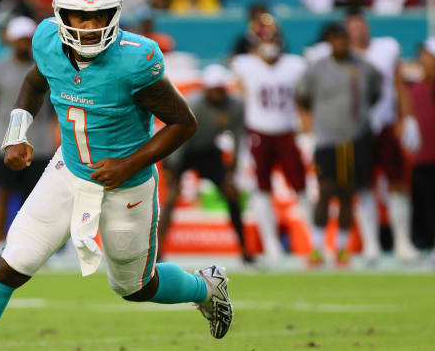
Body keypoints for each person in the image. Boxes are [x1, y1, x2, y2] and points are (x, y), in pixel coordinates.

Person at [0, 0, 232, 351]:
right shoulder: (46, 40)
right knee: (11, 264)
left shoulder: (135, 59)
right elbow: (33, 82)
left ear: (115, 13)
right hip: (69, 170)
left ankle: (204, 288)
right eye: (81, 15)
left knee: (134, 288)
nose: (91, 26)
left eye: (100, 16)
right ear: (60, 14)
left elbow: (184, 123)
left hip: (127, 184)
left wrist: (128, 164)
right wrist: (16, 133)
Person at [0, 16, 55, 255]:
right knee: (3, 193)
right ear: (11, 40)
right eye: (20, 40)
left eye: (28, 39)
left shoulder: (46, 66)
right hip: (4, 141)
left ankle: (32, 246)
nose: (23, 44)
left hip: (40, 142)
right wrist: (3, 124)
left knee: (35, 199)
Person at [297, 25, 381, 267]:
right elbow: (303, 97)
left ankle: (342, 249)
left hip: (356, 139)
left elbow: (375, 93)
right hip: (327, 139)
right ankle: (316, 247)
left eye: (345, 40)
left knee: (347, 193)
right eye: (337, 40)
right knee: (325, 191)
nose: (342, 44)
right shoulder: (317, 70)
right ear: (330, 42)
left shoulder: (365, 67)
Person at [231, 23, 310, 264]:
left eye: (272, 38)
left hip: (287, 132)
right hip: (258, 132)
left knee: (301, 187)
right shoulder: (244, 65)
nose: (269, 43)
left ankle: (313, 242)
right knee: (261, 189)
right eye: (263, 38)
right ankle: (271, 244)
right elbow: (239, 94)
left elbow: (302, 98)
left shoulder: (294, 65)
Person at [345, 12, 420, 262]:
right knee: (364, 186)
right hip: (358, 129)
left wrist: (407, 118)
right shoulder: (342, 57)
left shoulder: (386, 49)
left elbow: (399, 86)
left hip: (386, 124)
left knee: (398, 184)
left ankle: (403, 241)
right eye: (352, 26)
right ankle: (371, 244)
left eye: (360, 24)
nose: (357, 30)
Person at [160, 64, 251, 264]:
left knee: (230, 192)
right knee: (172, 197)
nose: (217, 95)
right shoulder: (192, 103)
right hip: (180, 149)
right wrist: (172, 170)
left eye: (221, 90)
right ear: (206, 89)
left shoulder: (236, 106)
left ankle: (245, 250)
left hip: (208, 150)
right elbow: (177, 135)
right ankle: (157, 253)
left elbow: (238, 136)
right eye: (213, 90)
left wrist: (232, 170)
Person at [411, 40, 435, 263]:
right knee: (426, 205)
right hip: (423, 157)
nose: (424, 60)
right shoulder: (417, 87)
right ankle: (428, 245)